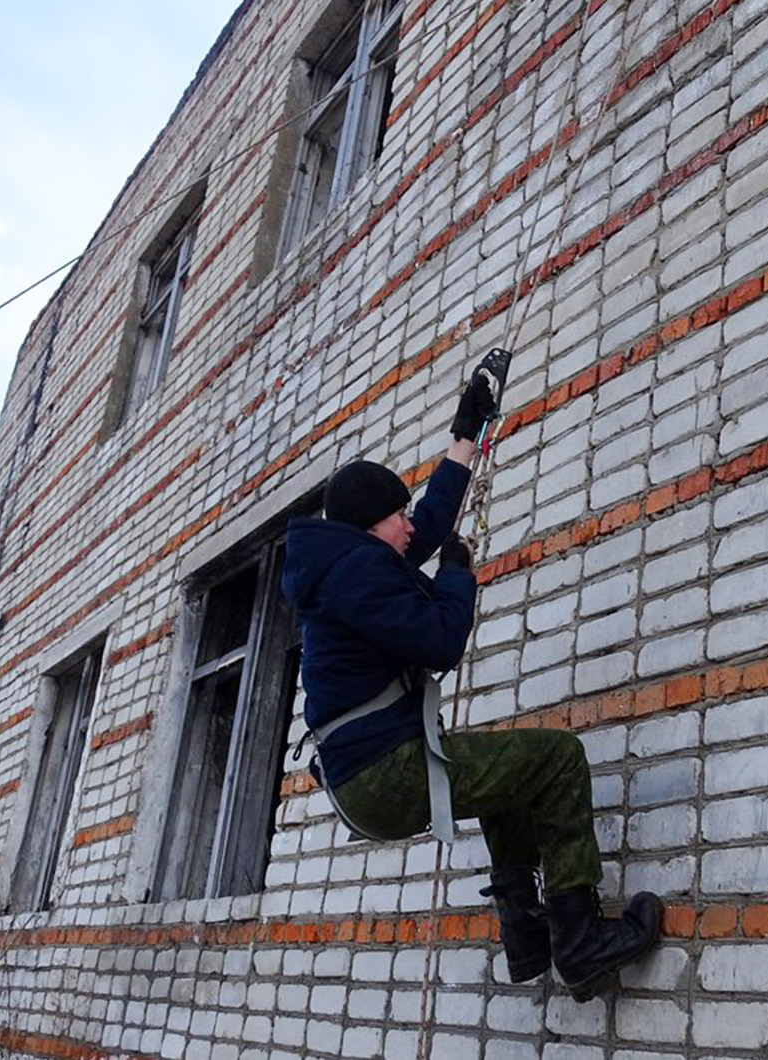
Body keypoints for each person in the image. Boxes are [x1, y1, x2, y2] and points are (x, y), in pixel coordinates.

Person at [279, 353, 663, 1002]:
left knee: (508, 782)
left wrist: (466, 437)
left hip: (367, 776)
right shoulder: (358, 574)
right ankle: (581, 941)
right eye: (397, 513)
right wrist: (457, 575)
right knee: (559, 760)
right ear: (373, 527)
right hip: (385, 775)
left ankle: (526, 934)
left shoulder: (346, 563)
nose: (409, 523)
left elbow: (426, 529)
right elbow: (440, 640)